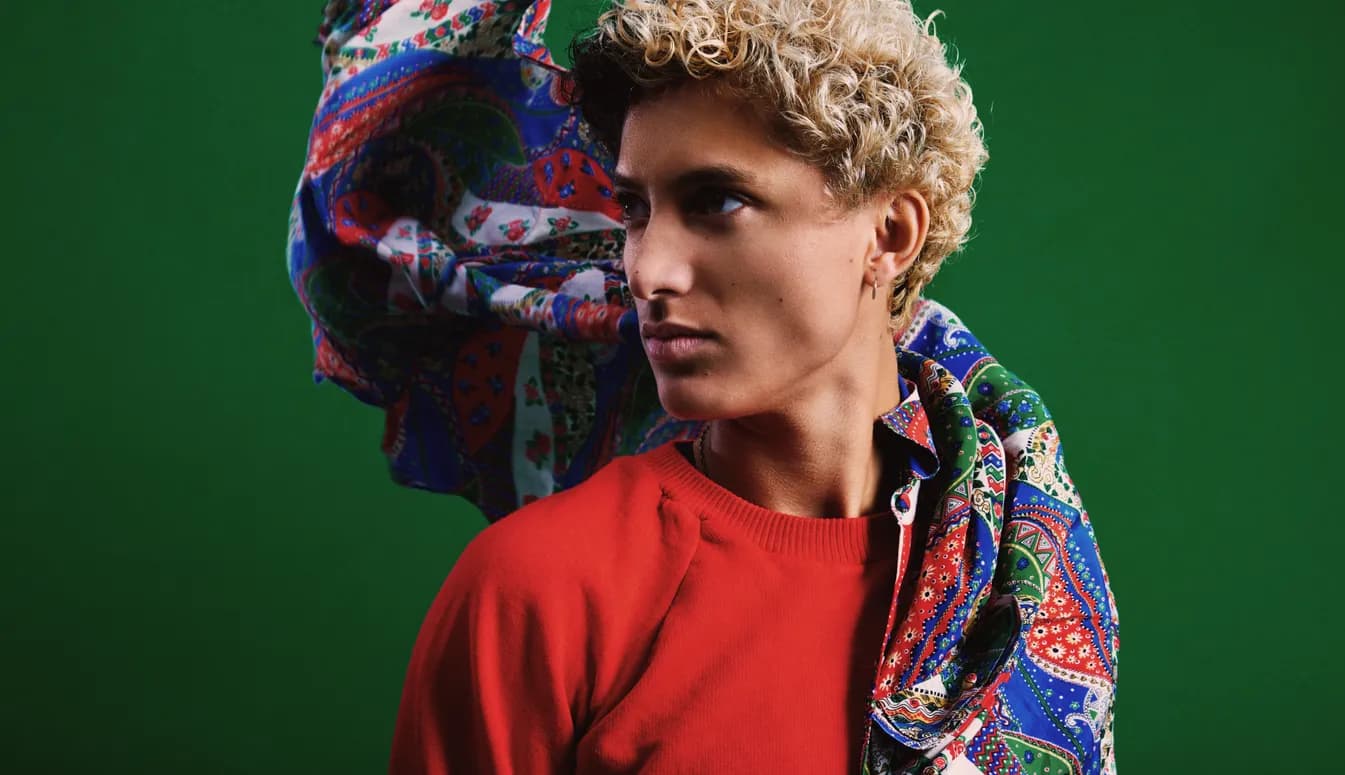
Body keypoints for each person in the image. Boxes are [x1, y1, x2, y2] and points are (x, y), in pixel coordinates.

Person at [367, 1, 1120, 774]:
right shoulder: (540, 591)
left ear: (890, 233)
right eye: (636, 208)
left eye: (717, 201)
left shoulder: (1009, 573)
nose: (648, 270)